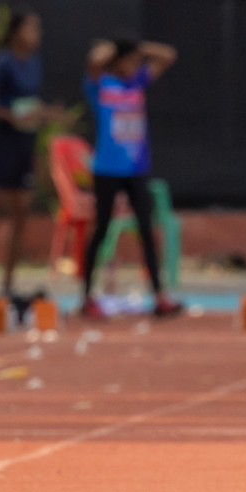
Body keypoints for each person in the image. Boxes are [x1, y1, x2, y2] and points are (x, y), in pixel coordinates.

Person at [81, 35, 183, 320]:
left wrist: (139, 49)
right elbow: (94, 59)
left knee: (146, 232)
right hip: (107, 169)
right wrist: (116, 51)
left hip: (136, 168)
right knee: (101, 231)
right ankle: (87, 296)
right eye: (129, 61)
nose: (134, 65)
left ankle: (159, 296)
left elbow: (168, 55)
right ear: (117, 61)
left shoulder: (137, 81)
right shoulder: (101, 84)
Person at [0, 8, 63, 320]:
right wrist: (12, 116)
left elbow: (30, 104)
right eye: (31, 29)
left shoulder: (35, 64)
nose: (36, 35)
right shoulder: (2, 62)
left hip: (24, 145)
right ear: (17, 31)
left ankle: (7, 284)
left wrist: (45, 114)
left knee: (22, 212)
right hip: (2, 143)